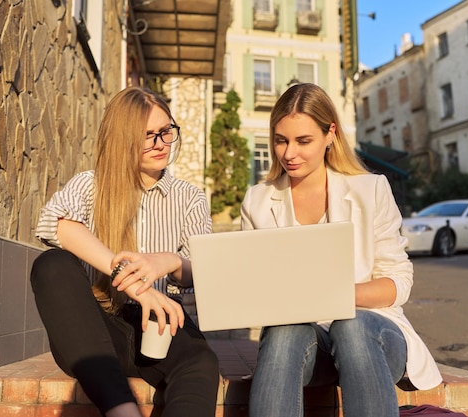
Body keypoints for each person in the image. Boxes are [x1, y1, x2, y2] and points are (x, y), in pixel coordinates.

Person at [241, 83, 442, 417]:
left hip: (373, 340)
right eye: (281, 140)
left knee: (352, 326)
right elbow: (254, 286)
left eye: (303, 141)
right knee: (284, 330)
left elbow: (398, 282)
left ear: (330, 133)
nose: (289, 153)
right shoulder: (258, 201)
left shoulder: (370, 189)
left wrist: (333, 295)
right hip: (304, 350)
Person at [30, 86, 219, 417]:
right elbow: (55, 224)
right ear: (123, 139)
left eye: (165, 131)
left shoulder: (190, 198)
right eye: (147, 136)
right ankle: (122, 412)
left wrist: (169, 260)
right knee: (51, 265)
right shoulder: (90, 184)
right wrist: (129, 280)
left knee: (200, 360)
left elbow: (201, 271)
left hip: (160, 327)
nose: (160, 143)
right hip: (96, 330)